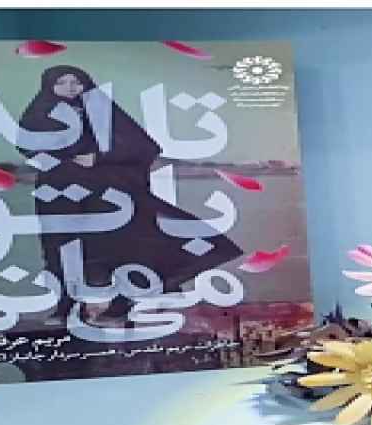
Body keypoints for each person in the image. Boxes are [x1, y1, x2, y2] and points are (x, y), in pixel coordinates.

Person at [16, 65, 243, 331]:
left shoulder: (101, 110)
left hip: (104, 193)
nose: (70, 87)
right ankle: (65, 304)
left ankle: (122, 303)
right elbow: (26, 146)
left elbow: (144, 147)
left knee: (117, 248)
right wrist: (59, 160)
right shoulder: (39, 113)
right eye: (61, 82)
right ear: (49, 86)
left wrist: (99, 157)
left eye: (75, 82)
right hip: (58, 193)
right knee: (60, 248)